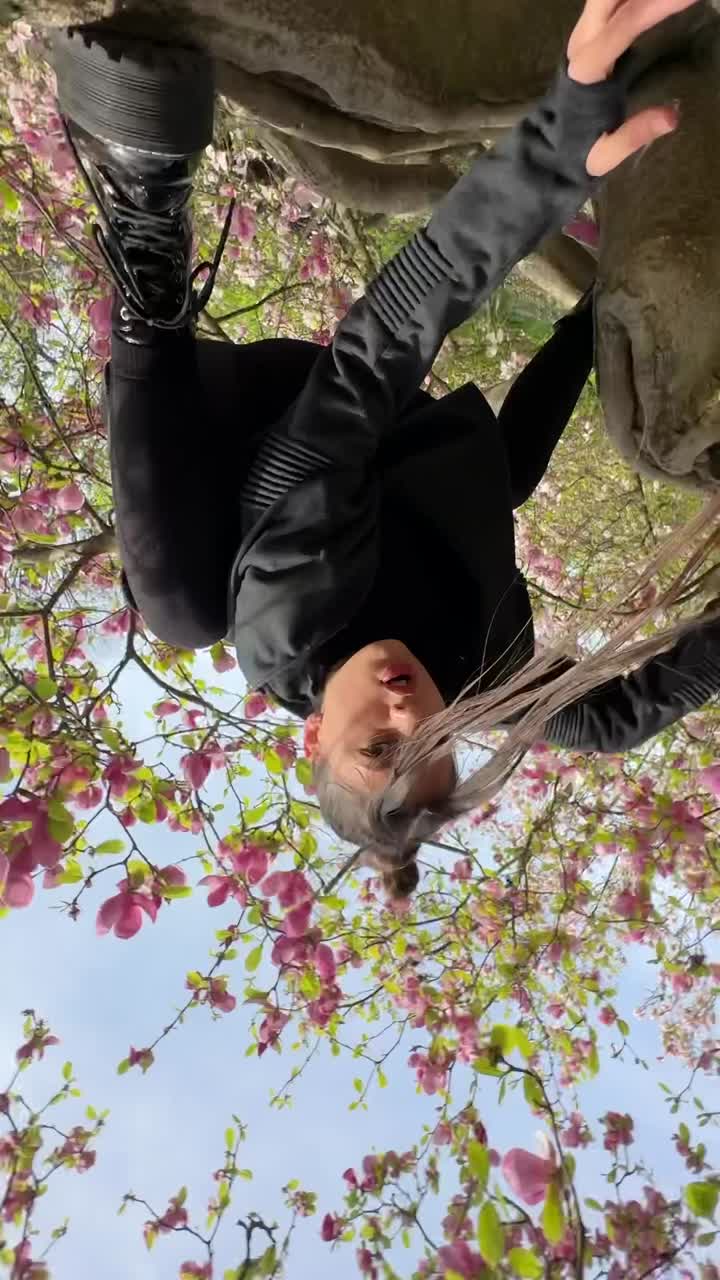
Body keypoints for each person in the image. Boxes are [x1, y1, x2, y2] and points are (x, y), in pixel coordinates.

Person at [52, 0, 720, 896]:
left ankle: (147, 239)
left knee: (175, 607)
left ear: (312, 736)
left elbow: (370, 366)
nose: (410, 712)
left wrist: (553, 151)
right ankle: (591, 308)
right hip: (423, 464)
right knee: (504, 478)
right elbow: (610, 720)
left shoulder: (290, 610)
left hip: (262, 426)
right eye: (433, 741)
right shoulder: (478, 678)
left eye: (379, 745)